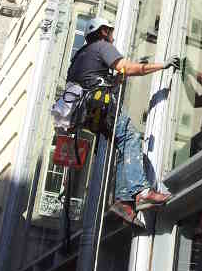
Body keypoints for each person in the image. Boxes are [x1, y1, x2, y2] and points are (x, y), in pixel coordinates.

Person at [66, 16, 179, 224]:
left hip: (88, 114)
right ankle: (141, 191)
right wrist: (161, 65)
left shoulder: (81, 55)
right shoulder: (102, 46)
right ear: (102, 32)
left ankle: (122, 200)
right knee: (131, 136)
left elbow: (103, 79)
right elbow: (127, 68)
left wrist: (125, 74)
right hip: (101, 106)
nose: (112, 35)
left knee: (122, 145)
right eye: (110, 31)